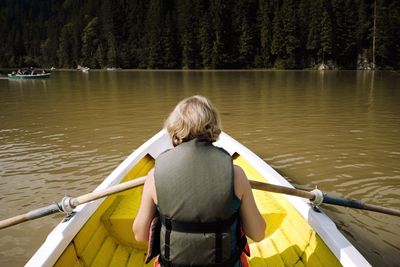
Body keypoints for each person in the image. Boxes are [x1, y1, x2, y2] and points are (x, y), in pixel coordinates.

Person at [133, 95, 265, 266]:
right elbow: (258, 233)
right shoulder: (237, 174)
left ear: (174, 127)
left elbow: (140, 235)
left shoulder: (154, 176)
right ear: (214, 127)